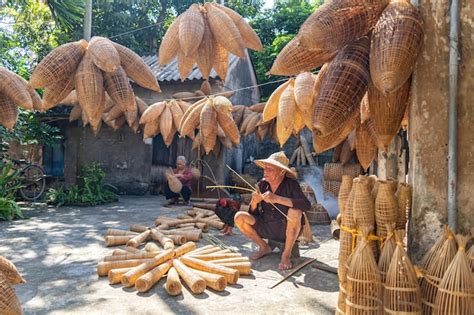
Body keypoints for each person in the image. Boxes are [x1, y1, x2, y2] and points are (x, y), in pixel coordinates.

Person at [234, 151, 311, 270]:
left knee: (295, 212)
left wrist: (277, 199)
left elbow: (306, 205)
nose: (265, 172)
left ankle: (286, 255)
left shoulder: (291, 185)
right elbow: (253, 214)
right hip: (266, 225)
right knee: (239, 217)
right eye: (265, 168)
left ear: (282, 172)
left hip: (286, 228)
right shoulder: (262, 185)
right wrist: (254, 202)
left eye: (270, 169)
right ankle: (264, 247)